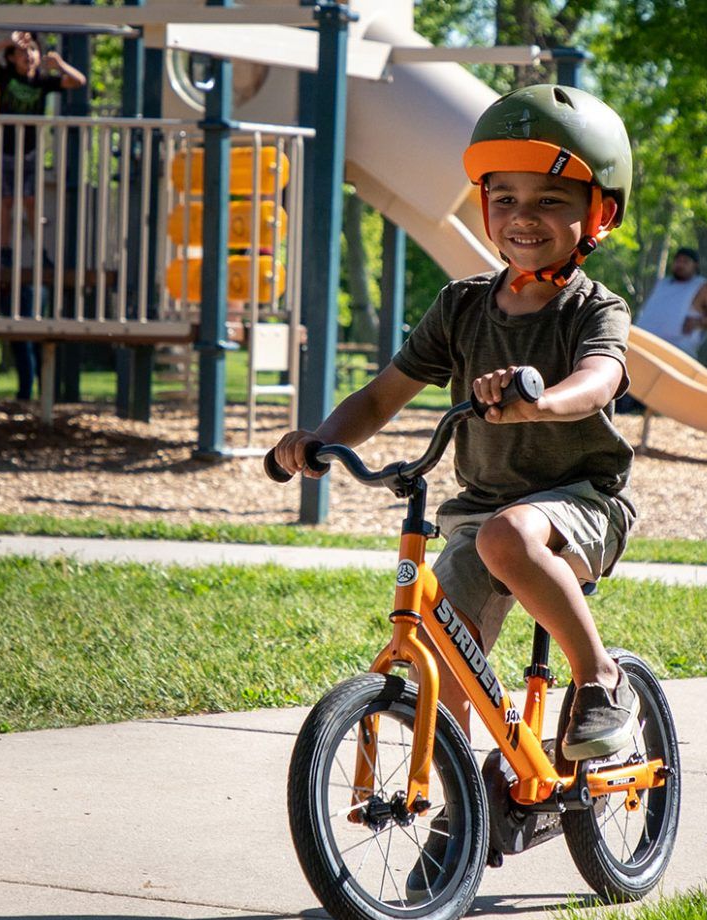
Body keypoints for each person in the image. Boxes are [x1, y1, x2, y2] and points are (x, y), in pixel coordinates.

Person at [270, 84, 642, 777]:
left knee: (509, 537)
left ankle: (601, 680)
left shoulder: (596, 308)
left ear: (600, 214)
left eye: (550, 201)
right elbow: (383, 395)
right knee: (445, 655)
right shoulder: (461, 307)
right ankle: (469, 810)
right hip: (482, 512)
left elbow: (602, 378)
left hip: (585, 502)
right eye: (505, 199)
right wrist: (318, 438)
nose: (522, 218)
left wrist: (543, 400)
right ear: (483, 206)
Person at [0, 32, 82, 401]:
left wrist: (58, 62)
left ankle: (40, 250)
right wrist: (6, 41)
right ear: (11, 59)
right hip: (8, 152)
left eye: (32, 51)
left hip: (30, 154)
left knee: (30, 202)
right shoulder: (6, 75)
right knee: (8, 202)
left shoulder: (41, 79)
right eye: (21, 53)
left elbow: (77, 81)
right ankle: (8, 249)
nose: (28, 58)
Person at [634, 247, 707, 362]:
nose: (680, 265)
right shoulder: (663, 284)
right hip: (642, 346)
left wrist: (699, 322)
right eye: (678, 261)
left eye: (686, 262)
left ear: (695, 265)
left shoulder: (702, 287)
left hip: (677, 352)